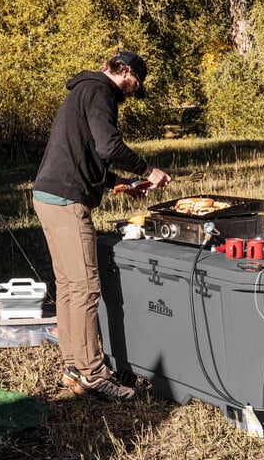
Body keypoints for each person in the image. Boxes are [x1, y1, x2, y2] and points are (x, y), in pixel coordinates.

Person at [32, 51, 170, 402]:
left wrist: (117, 184)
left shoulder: (85, 90)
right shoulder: (100, 91)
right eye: (133, 85)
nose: (129, 94)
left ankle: (73, 367)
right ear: (123, 71)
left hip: (49, 194)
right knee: (86, 288)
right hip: (66, 200)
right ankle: (94, 374)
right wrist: (147, 170)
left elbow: (88, 153)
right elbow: (109, 145)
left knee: (68, 287)